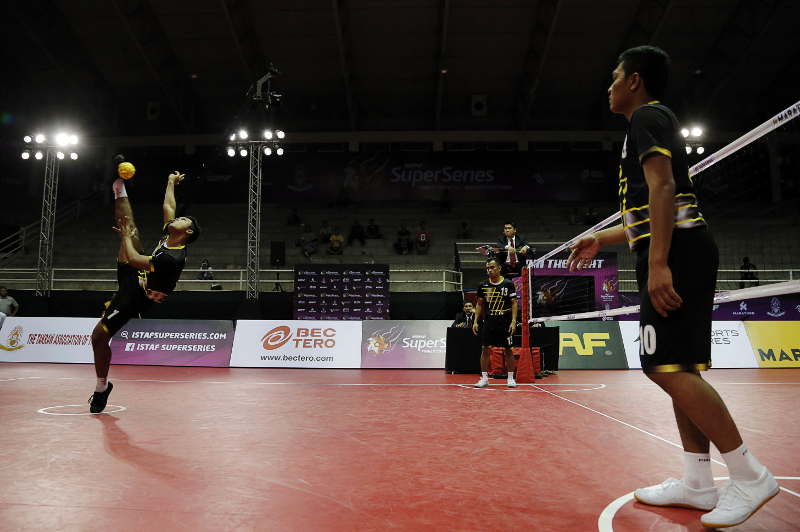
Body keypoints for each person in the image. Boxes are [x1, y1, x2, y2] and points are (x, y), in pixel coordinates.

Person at [566, 46, 778, 528]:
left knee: (662, 367)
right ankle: (698, 482)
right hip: (673, 247)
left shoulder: (647, 118)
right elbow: (649, 209)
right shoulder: (643, 125)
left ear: (635, 81)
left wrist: (659, 263)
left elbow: (665, 191)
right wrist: (604, 236)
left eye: (615, 76)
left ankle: (749, 474)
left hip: (678, 252)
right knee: (675, 365)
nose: (609, 85)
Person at [88, 170, 200, 414]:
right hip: (137, 276)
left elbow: (134, 258)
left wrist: (126, 239)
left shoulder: (173, 257)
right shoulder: (171, 236)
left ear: (187, 232)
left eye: (182, 221)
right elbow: (169, 206)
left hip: (138, 296)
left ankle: (101, 388)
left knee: (98, 337)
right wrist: (171, 182)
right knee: (132, 230)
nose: (176, 219)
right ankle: (119, 189)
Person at [472, 257, 517, 388]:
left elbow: (514, 303)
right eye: (487, 268)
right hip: (489, 320)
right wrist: (475, 321)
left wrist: (514, 321)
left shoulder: (508, 284)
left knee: (508, 349)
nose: (489, 270)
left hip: (505, 319)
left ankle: (510, 378)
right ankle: (485, 378)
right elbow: (480, 304)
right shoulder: (483, 285)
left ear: (499, 268)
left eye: (492, 267)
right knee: (485, 349)